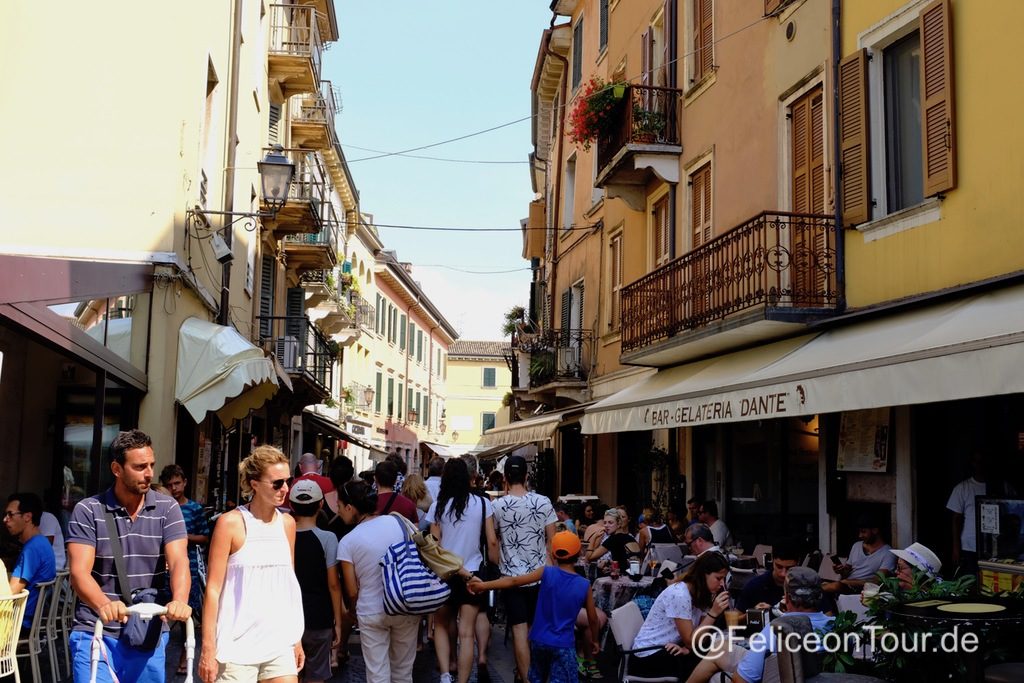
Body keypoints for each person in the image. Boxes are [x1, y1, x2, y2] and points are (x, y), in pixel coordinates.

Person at [67, 429, 191, 683]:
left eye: (151, 465)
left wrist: (179, 600)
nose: (149, 473)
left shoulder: (168, 509)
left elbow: (179, 561)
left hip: (148, 630)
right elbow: (79, 572)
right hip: (96, 630)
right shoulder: (88, 510)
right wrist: (104, 604)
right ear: (117, 469)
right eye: (140, 466)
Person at [200, 446, 304, 683]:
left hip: (278, 641)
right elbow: (213, 590)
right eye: (277, 483)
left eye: (287, 481)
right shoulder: (230, 523)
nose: (285, 489)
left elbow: (288, 585)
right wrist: (208, 647)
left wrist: (295, 638)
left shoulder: (288, 524)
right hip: (236, 645)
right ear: (254, 483)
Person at [468, 531, 600, 683]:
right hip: (563, 644)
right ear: (579, 553)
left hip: (539, 641)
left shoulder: (546, 572)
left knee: (536, 678)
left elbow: (513, 582)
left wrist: (483, 585)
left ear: (553, 553)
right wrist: (595, 640)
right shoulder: (584, 585)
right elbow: (593, 619)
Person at [686, 567, 834, 683]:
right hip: (805, 675)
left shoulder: (779, 630)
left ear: (787, 598)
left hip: (774, 676)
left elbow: (741, 680)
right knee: (722, 647)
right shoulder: (836, 627)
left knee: (718, 666)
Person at [425, 457, 500, 683]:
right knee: (467, 633)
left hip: (444, 575)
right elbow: (492, 541)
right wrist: (496, 565)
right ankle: (463, 681)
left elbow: (434, 544)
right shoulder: (483, 504)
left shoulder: (438, 506)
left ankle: (446, 675)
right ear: (469, 478)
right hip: (473, 573)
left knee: (440, 624)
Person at [492, 455, 557, 682]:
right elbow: (553, 541)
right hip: (540, 576)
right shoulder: (544, 502)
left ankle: (525, 677)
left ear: (506, 478)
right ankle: (532, 673)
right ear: (527, 476)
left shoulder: (497, 506)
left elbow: (494, 543)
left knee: (519, 631)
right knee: (536, 630)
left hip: (511, 578)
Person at [629, 552, 732, 680]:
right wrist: (713, 613)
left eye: (724, 579)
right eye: (718, 578)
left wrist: (687, 650)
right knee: (711, 661)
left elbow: (701, 638)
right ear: (703, 575)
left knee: (718, 653)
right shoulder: (680, 594)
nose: (722, 584)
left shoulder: (703, 594)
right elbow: (691, 641)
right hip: (648, 654)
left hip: (672, 648)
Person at [160, 464, 212, 676]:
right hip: (162, 568)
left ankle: (184, 656)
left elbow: (205, 536)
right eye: (169, 485)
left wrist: (182, 536)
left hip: (187, 565)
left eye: (177, 483)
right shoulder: (161, 507)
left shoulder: (194, 509)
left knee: (184, 616)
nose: (174, 488)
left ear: (185, 482)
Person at [290, 480, 342, 683]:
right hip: (318, 617)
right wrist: (337, 621)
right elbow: (333, 584)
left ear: (292, 505)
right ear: (321, 504)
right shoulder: (328, 538)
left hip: (288, 618)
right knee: (316, 677)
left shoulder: (283, 535)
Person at [5, 492, 57, 629]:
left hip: (18, 622)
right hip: (32, 619)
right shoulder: (41, 542)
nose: (5, 519)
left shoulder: (32, 549)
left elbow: (10, 593)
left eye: (10, 514)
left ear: (27, 516)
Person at [823, 514, 896, 594]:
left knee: (834, 586)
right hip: (845, 585)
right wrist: (841, 570)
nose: (860, 535)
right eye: (859, 532)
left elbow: (877, 581)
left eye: (863, 532)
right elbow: (847, 571)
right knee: (823, 584)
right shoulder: (856, 545)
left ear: (875, 530)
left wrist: (847, 582)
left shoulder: (888, 553)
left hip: (862, 589)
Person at [947, 451, 988, 576]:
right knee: (970, 580)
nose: (980, 465)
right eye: (977, 461)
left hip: (994, 547)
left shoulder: (1001, 486)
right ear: (972, 464)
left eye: (983, 461)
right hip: (969, 545)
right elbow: (956, 519)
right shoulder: (962, 488)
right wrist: (956, 547)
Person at [735, 541, 800, 611]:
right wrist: (755, 612)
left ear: (798, 563)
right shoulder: (755, 586)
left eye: (789, 568)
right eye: (779, 567)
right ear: (772, 559)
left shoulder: (805, 587)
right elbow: (735, 617)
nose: (783, 574)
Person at [374, 460, 419, 525]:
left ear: (375, 479)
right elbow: (415, 530)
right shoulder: (409, 504)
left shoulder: (368, 505)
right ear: (395, 480)